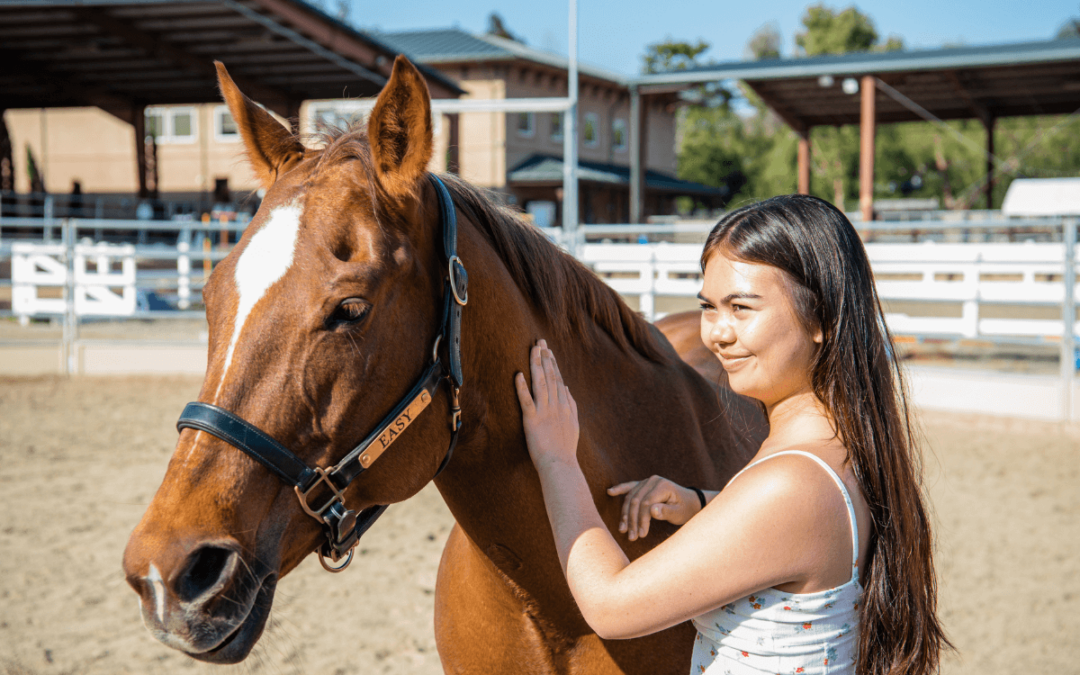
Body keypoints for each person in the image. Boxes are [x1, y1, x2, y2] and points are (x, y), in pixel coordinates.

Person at [514, 195, 949, 675]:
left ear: (822, 318)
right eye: (709, 307)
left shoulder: (792, 482)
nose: (717, 333)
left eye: (741, 307)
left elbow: (610, 607)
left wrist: (557, 459)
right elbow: (797, 528)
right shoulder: (842, 447)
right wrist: (703, 505)